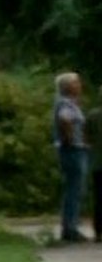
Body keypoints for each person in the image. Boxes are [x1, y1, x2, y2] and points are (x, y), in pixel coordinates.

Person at [52, 72, 88, 243]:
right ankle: (70, 228)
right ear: (67, 86)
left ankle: (70, 226)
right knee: (74, 189)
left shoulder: (70, 103)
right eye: (76, 83)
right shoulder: (66, 104)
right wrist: (70, 140)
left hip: (73, 149)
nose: (79, 85)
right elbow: (64, 120)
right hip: (72, 150)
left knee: (74, 189)